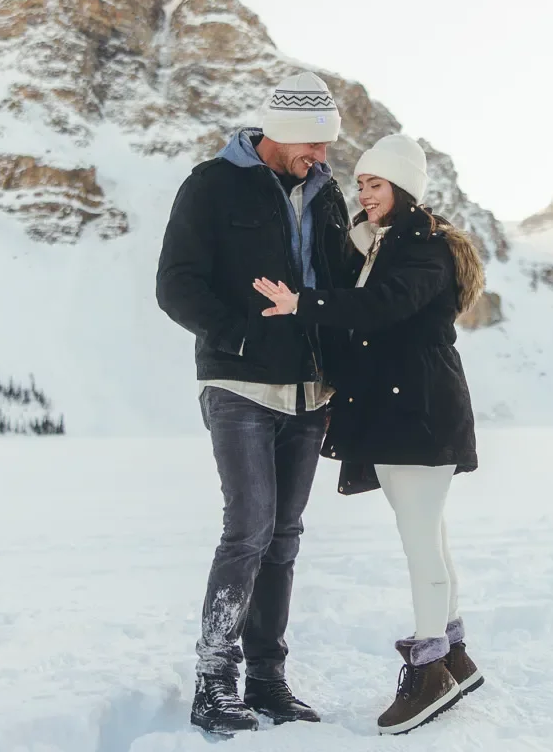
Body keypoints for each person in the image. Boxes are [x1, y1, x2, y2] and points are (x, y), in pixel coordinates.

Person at [252, 133, 485, 736]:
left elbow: (381, 308)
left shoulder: (424, 250)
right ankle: (455, 656)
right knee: (430, 535)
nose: (364, 193)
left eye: (375, 184)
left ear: (403, 187)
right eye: (360, 184)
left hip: (420, 417)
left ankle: (430, 668)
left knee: (421, 541)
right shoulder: (385, 245)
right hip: (404, 413)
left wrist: (303, 303)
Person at [155, 70, 353, 735]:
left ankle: (267, 680)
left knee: (284, 537)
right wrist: (238, 335)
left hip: (309, 391)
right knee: (249, 528)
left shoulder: (327, 196)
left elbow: (338, 284)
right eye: (313, 143)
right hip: (240, 386)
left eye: (326, 145)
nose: (321, 156)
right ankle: (215, 680)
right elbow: (176, 283)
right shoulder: (212, 185)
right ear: (282, 131)